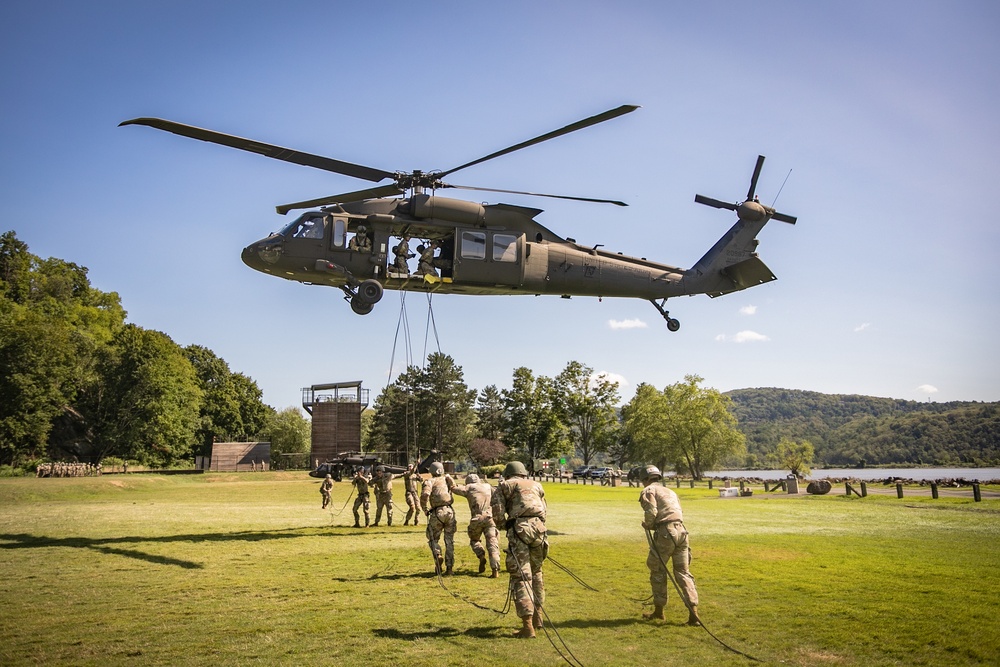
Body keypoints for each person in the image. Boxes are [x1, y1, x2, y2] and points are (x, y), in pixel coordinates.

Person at [638, 465, 700, 625]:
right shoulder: (670, 491)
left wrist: (649, 525)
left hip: (666, 532)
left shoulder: (649, 491)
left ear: (644, 479)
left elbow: (651, 511)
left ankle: (659, 612)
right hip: (681, 531)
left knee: (657, 568)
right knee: (683, 572)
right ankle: (694, 613)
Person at [492, 460, 547, 639]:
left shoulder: (506, 485)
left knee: (522, 576)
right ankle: (539, 617)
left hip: (519, 529)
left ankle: (527, 626)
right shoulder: (536, 484)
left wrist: (504, 525)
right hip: (539, 529)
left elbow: (497, 509)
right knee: (537, 572)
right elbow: (544, 508)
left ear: (507, 474)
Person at [448, 473, 501, 578]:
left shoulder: (469, 487)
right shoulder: (487, 487)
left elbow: (454, 489)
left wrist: (449, 479)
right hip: (489, 518)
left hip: (476, 519)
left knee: (474, 540)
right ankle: (495, 571)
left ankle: (481, 555)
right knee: (492, 543)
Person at [420, 461, 456, 575]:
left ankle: (438, 554)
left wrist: (425, 509)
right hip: (450, 511)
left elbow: (425, 495)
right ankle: (449, 568)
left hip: (437, 512)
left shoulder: (430, 481)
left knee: (432, 539)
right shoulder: (446, 479)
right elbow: (454, 487)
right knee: (449, 541)